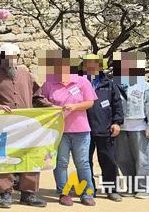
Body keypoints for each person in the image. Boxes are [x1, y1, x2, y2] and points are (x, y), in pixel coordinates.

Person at [0, 43, 50, 208]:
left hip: (27, 125)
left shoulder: (26, 74)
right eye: (6, 58)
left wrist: (53, 107)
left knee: (30, 158)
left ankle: (28, 194)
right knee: (4, 159)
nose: (10, 61)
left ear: (18, 57)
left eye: (13, 58)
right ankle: (5, 194)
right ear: (1, 58)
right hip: (4, 126)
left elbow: (37, 96)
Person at [40, 49, 97, 207]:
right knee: (61, 162)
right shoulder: (49, 83)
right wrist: (52, 107)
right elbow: (41, 101)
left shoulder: (82, 81)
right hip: (59, 131)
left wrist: (75, 107)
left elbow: (90, 102)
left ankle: (87, 193)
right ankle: (64, 193)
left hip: (81, 130)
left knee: (83, 163)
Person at [112, 51, 149, 199]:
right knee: (123, 159)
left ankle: (145, 188)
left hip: (140, 128)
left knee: (142, 159)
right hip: (121, 129)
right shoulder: (114, 85)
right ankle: (131, 187)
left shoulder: (144, 86)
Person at [82, 54, 124, 202]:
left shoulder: (109, 84)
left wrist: (117, 123)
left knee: (108, 161)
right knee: (84, 162)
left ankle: (112, 190)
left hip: (105, 129)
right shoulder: (80, 83)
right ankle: (88, 190)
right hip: (84, 130)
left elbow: (117, 104)